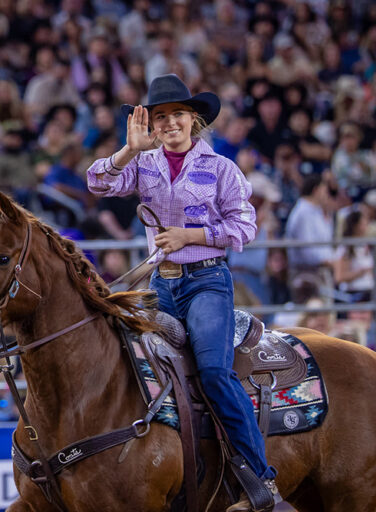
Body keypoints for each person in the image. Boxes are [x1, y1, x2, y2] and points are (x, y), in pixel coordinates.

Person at [86, 74, 280, 510]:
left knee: (213, 371)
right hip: (160, 286)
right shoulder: (142, 162)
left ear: (194, 120)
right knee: (127, 364)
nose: (169, 123)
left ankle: (259, 479)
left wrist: (188, 235)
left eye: (177, 114)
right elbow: (97, 183)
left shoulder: (222, 169)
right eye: (160, 117)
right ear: (150, 126)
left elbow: (244, 227)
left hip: (207, 281)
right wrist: (128, 150)